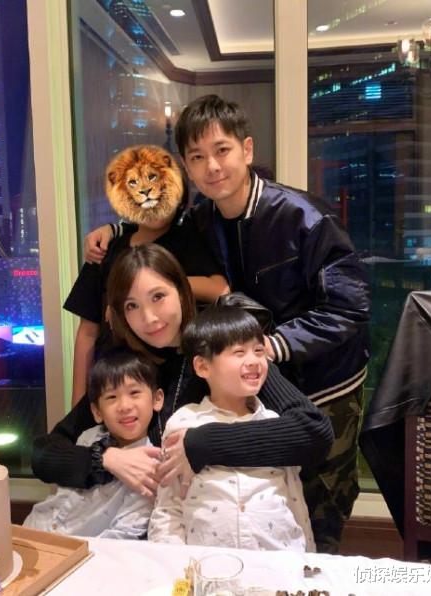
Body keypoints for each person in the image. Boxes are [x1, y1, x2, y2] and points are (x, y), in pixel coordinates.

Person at [83, 95, 370, 553]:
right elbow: (155, 229)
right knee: (266, 492)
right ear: (186, 166)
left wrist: (270, 345)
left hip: (323, 380)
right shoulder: (201, 218)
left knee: (321, 502)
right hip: (251, 370)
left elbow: (349, 307)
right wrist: (113, 231)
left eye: (222, 150)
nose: (212, 167)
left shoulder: (304, 217)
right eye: (197, 157)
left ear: (247, 149)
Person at [32, 244, 333, 515]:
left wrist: (202, 442)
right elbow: (44, 453)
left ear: (181, 289)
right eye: (132, 306)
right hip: (152, 527)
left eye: (158, 297)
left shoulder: (220, 349)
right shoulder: (127, 367)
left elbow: (313, 432)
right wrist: (106, 459)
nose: (149, 318)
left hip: (237, 518)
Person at [65, 145, 228, 405]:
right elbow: (87, 333)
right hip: (114, 379)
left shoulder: (188, 239)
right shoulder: (108, 247)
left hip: (172, 379)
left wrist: (150, 290)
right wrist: (78, 403)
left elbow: (219, 289)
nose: (146, 192)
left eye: (155, 180)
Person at [148, 304, 314, 552]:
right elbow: (168, 507)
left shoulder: (274, 423)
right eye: (239, 352)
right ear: (203, 367)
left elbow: (295, 499)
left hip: (277, 559)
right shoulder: (184, 422)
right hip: (207, 562)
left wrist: (307, 559)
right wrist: (173, 561)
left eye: (259, 351)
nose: (254, 361)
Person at [24, 348, 162, 539]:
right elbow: (62, 491)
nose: (124, 406)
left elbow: (124, 534)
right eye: (112, 397)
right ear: (97, 412)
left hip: (80, 549)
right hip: (35, 527)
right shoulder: (89, 436)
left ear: (157, 399)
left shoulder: (151, 465)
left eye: (134, 393)